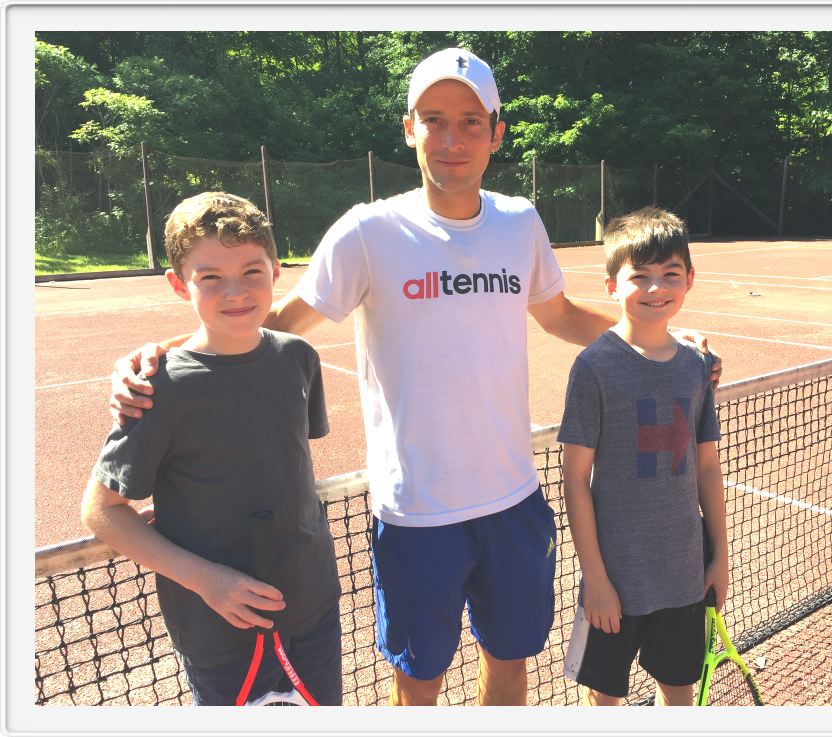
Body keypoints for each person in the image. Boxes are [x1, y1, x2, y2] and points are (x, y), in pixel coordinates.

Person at [108, 49, 721, 706]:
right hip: (415, 516)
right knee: (417, 685)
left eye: (469, 122)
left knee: (510, 668)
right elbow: (272, 321)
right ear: (409, 128)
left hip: (513, 504)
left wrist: (655, 336)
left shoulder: (519, 223)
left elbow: (561, 315)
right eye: (434, 120)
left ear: (496, 132)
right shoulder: (369, 232)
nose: (452, 139)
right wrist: (165, 354)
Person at [82, 192, 342, 706]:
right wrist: (206, 579)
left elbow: (285, 466)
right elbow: (101, 511)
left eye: (252, 271)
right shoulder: (159, 388)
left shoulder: (298, 358)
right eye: (211, 278)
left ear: (277, 271)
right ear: (180, 284)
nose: (237, 292)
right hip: (220, 630)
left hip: (313, 610)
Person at [558, 207, 729, 707]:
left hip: (684, 573)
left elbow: (707, 467)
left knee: (678, 690)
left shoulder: (696, 367)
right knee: (603, 698)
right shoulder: (594, 368)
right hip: (615, 576)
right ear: (613, 285)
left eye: (670, 274)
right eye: (640, 276)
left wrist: (720, 555)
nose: (656, 288)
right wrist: (596, 580)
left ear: (689, 279)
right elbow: (574, 481)